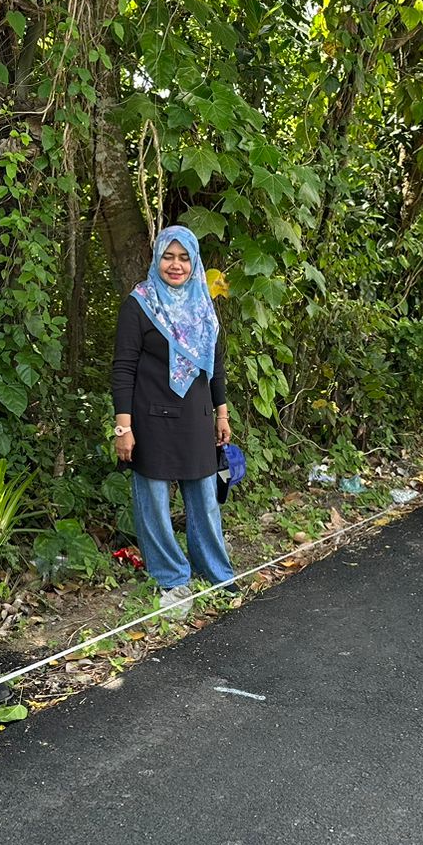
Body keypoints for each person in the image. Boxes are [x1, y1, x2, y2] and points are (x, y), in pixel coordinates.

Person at [111, 226, 234, 617]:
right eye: (169, 256)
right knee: (154, 503)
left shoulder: (203, 303)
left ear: (194, 261)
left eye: (184, 258)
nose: (176, 265)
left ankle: (216, 574)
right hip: (150, 420)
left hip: (196, 418)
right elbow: (123, 368)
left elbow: (216, 366)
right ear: (157, 259)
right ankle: (172, 579)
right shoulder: (140, 303)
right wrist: (123, 426)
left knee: (205, 499)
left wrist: (222, 412)